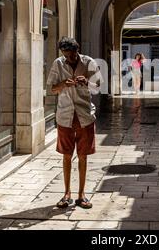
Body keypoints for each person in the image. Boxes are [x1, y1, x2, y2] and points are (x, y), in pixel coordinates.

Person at [47, 37, 102, 210]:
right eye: (65, 55)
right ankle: (66, 193)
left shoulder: (89, 62)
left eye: (71, 55)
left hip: (84, 116)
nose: (68, 58)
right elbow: (52, 89)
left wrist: (86, 82)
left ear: (77, 50)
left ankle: (82, 195)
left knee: (83, 156)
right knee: (66, 156)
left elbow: (98, 88)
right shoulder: (58, 63)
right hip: (65, 116)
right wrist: (63, 84)